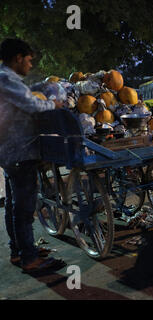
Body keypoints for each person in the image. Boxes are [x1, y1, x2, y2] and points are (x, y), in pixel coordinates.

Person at [0, 38, 65, 273]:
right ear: (18, 58)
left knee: (13, 205)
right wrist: (53, 105)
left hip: (10, 151)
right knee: (24, 209)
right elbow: (33, 105)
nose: (29, 65)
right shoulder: (6, 78)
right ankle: (30, 259)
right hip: (19, 151)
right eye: (28, 60)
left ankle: (19, 251)